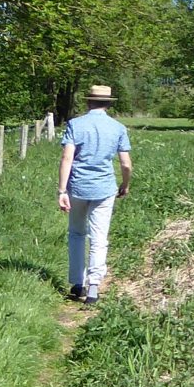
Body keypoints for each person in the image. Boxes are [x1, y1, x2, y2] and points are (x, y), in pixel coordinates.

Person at [57, 84, 132, 303]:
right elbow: (126, 164)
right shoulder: (118, 128)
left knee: (77, 233)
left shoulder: (75, 124)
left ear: (88, 102)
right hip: (104, 188)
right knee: (99, 237)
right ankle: (94, 287)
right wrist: (125, 184)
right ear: (108, 104)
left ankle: (77, 283)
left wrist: (62, 190)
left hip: (78, 187)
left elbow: (67, 158)